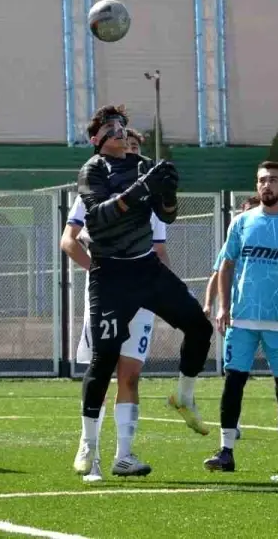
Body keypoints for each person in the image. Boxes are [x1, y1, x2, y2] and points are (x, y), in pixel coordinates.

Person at [75, 104, 213, 482]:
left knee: (200, 327)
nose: (120, 131)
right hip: (110, 273)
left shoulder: (143, 165)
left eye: (122, 125)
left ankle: (184, 394)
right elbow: (99, 217)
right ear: (96, 139)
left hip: (145, 267)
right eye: (111, 127)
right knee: (103, 361)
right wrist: (142, 189)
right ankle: (91, 447)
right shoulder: (92, 170)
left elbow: (167, 215)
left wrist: (167, 192)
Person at [63, 128, 169, 476]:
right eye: (126, 148)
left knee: (131, 374)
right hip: (106, 292)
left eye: (136, 149)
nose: (131, 155)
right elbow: (69, 241)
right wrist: (100, 269)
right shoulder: (93, 192)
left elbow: (159, 251)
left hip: (140, 294)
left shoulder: (151, 199)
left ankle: (124, 455)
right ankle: (88, 449)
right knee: (102, 369)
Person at [204, 161, 278, 473]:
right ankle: (226, 450)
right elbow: (226, 265)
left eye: (273, 180)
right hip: (241, 319)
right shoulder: (241, 223)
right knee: (234, 383)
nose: (267, 185)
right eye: (262, 180)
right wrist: (224, 307)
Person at [203, 194, 261, 441]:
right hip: (239, 315)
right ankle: (231, 426)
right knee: (235, 373)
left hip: (270, 314)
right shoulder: (235, 239)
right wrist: (210, 304)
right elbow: (218, 274)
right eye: (246, 211)